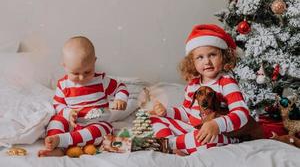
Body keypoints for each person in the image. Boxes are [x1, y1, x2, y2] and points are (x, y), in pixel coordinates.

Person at [150, 24, 250, 155]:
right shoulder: (193, 84)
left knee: (204, 139)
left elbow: (242, 114)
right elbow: (187, 113)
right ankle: (173, 146)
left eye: (212, 55)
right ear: (192, 62)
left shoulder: (226, 82)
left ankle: (169, 144)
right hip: (194, 129)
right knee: (154, 118)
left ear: (224, 56)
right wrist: (166, 112)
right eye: (200, 57)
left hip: (219, 134)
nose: (207, 62)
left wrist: (217, 124)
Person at [38, 36, 128, 157]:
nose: (82, 78)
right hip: (72, 124)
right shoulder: (63, 85)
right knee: (56, 121)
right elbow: (58, 105)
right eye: (75, 73)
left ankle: (62, 141)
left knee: (102, 131)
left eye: (87, 72)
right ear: (64, 66)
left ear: (94, 61)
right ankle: (56, 145)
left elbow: (121, 87)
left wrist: (120, 99)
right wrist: (68, 113)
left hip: (96, 123)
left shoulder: (101, 81)